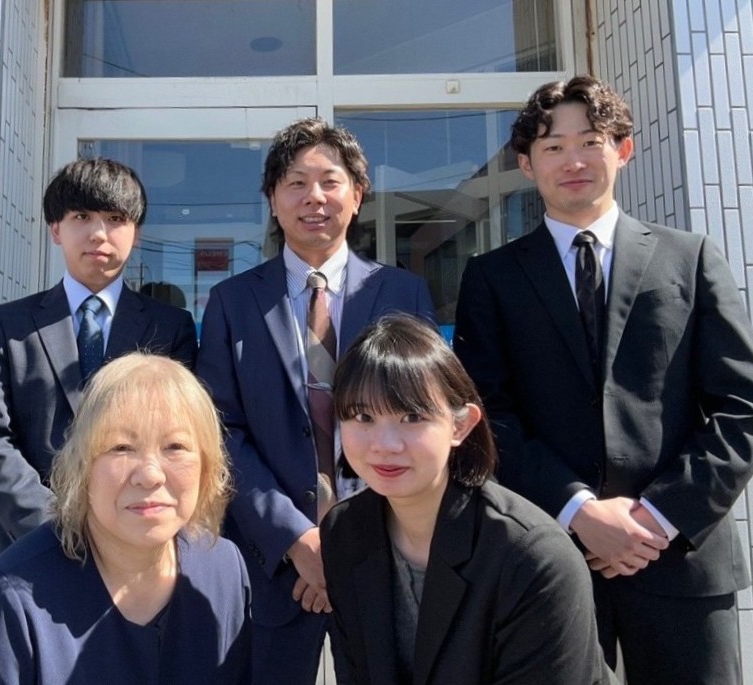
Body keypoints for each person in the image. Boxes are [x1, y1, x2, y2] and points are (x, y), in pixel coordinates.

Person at [454, 75, 753, 684]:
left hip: (682, 559)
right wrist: (579, 510)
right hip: (549, 556)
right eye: (553, 147)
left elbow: (741, 404)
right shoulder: (492, 278)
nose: (573, 161)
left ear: (623, 149)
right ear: (526, 164)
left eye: (590, 141)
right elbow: (485, 416)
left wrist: (658, 517)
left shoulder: (690, 257)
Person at [196, 117, 435, 684]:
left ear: (358, 194)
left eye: (330, 181)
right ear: (272, 200)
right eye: (296, 183)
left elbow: (423, 419)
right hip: (271, 562)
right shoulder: (232, 301)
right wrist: (295, 539)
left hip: (386, 552)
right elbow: (220, 430)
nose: (314, 198)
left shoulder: (403, 292)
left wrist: (350, 541)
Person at [320, 314, 615, 684]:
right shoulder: (343, 532)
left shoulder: (532, 557)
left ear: (460, 425)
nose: (385, 444)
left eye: (412, 417)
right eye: (363, 417)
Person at [0, 353, 251, 684]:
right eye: (121, 447)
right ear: (82, 466)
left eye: (175, 446)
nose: (150, 475)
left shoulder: (223, 569)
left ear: (207, 467)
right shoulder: (9, 602)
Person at [0, 158, 197, 568]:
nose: (99, 233)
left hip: (137, 544)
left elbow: (180, 435)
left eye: (115, 219)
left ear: (136, 234)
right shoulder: (9, 324)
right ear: (56, 229)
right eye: (81, 217)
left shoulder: (170, 327)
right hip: (29, 544)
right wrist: (53, 524)